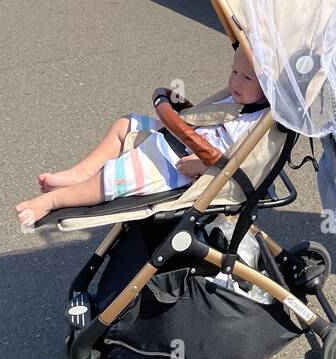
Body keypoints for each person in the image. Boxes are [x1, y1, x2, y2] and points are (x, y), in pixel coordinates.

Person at [16, 45, 269, 227]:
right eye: (233, 72)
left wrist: (204, 164)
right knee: (126, 124)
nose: (235, 81)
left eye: (246, 77)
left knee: (115, 177)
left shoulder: (257, 122)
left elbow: (241, 160)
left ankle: (52, 201)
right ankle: (81, 173)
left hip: (179, 164)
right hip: (181, 136)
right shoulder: (235, 97)